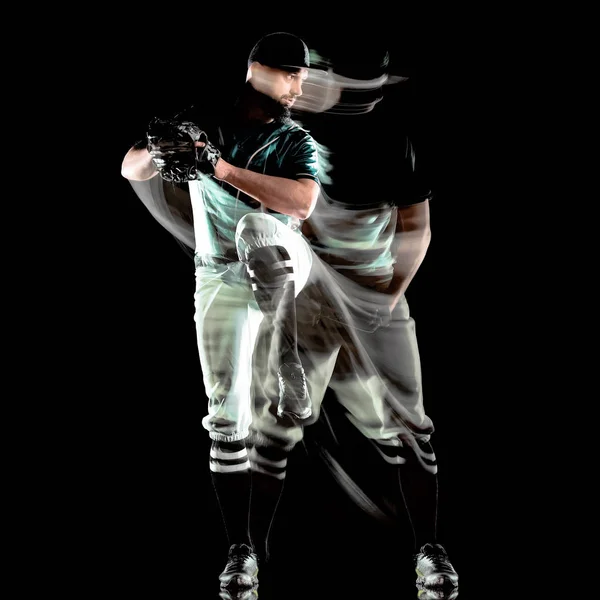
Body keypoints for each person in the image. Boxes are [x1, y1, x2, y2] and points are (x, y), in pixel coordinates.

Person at [247, 42, 460, 598]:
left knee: (411, 431)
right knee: (274, 426)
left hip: (374, 296)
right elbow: (268, 215)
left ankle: (429, 552)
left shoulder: (393, 138)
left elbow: (417, 226)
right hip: (309, 295)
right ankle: (247, 556)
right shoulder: (284, 132)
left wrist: (389, 297)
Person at [121, 32, 322, 591]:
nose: (298, 84)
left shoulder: (295, 138)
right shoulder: (205, 120)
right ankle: (241, 551)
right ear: (256, 68)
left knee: (254, 226)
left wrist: (218, 167)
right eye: (289, 73)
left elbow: (303, 203)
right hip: (219, 273)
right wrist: (159, 144)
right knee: (226, 419)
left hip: (284, 256)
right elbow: (130, 170)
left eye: (301, 73)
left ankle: (287, 363)